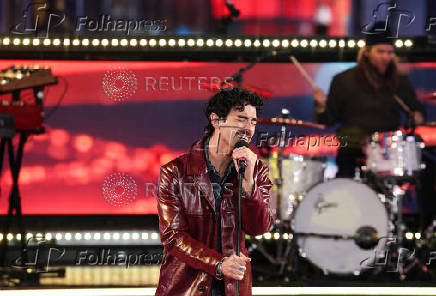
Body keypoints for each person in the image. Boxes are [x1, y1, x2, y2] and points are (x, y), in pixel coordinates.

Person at [155, 87, 273, 296]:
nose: (248, 128)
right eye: (241, 119)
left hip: (233, 288)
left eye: (253, 121)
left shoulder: (256, 169)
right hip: (186, 288)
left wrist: (248, 184)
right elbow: (173, 237)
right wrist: (219, 264)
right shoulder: (175, 172)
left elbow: (259, 227)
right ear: (216, 120)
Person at [313, 33, 426, 178]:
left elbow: (415, 109)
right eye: (380, 52)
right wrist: (321, 105)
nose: (386, 57)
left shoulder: (399, 81)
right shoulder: (343, 80)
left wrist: (417, 116)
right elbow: (328, 120)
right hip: (352, 150)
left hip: (387, 151)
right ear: (367, 52)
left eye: (389, 52)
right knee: (347, 192)